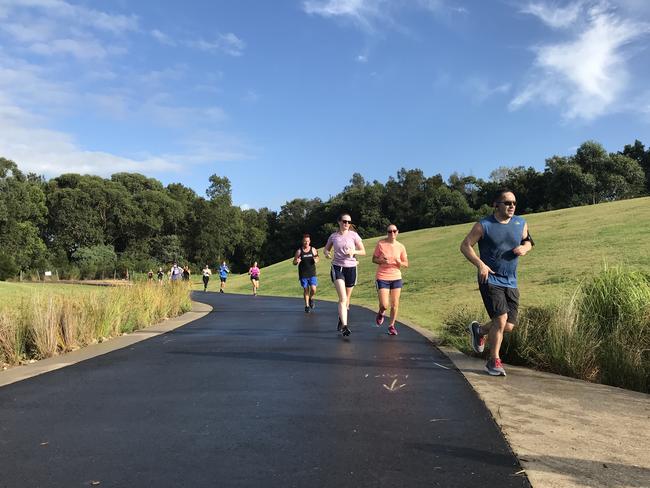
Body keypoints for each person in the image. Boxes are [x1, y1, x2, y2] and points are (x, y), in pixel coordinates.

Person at [460, 189, 534, 376]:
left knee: (508, 325)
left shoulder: (520, 222)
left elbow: (529, 241)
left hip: (511, 280)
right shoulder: (484, 225)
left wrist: (525, 248)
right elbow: (465, 245)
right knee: (500, 320)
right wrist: (480, 264)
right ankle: (493, 361)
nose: (511, 206)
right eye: (507, 203)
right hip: (490, 278)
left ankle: (479, 330)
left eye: (514, 203)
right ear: (496, 204)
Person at [324, 213, 366, 337]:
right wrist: (327, 253)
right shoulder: (334, 236)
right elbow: (326, 249)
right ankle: (345, 326)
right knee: (342, 298)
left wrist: (354, 251)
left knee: (347, 299)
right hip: (337, 268)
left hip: (351, 268)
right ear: (339, 222)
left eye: (349, 222)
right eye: (344, 221)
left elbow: (363, 251)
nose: (346, 224)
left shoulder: (354, 235)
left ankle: (341, 318)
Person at [372, 224, 408, 336]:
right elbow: (374, 259)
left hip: (396, 277)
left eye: (394, 231)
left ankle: (391, 326)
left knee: (395, 304)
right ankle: (381, 312)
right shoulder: (381, 244)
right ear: (387, 232)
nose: (392, 233)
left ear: (397, 232)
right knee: (384, 304)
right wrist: (382, 261)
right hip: (382, 276)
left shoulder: (401, 246)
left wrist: (399, 263)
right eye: (389, 231)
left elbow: (406, 263)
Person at [293, 234, 319, 313]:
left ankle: (310, 298)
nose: (306, 243)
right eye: (305, 241)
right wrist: (296, 261)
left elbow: (317, 257)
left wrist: (316, 260)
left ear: (309, 241)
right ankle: (307, 305)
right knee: (306, 289)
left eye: (308, 241)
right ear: (302, 242)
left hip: (312, 273)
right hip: (303, 273)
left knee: (313, 289)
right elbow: (294, 262)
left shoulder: (313, 249)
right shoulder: (299, 251)